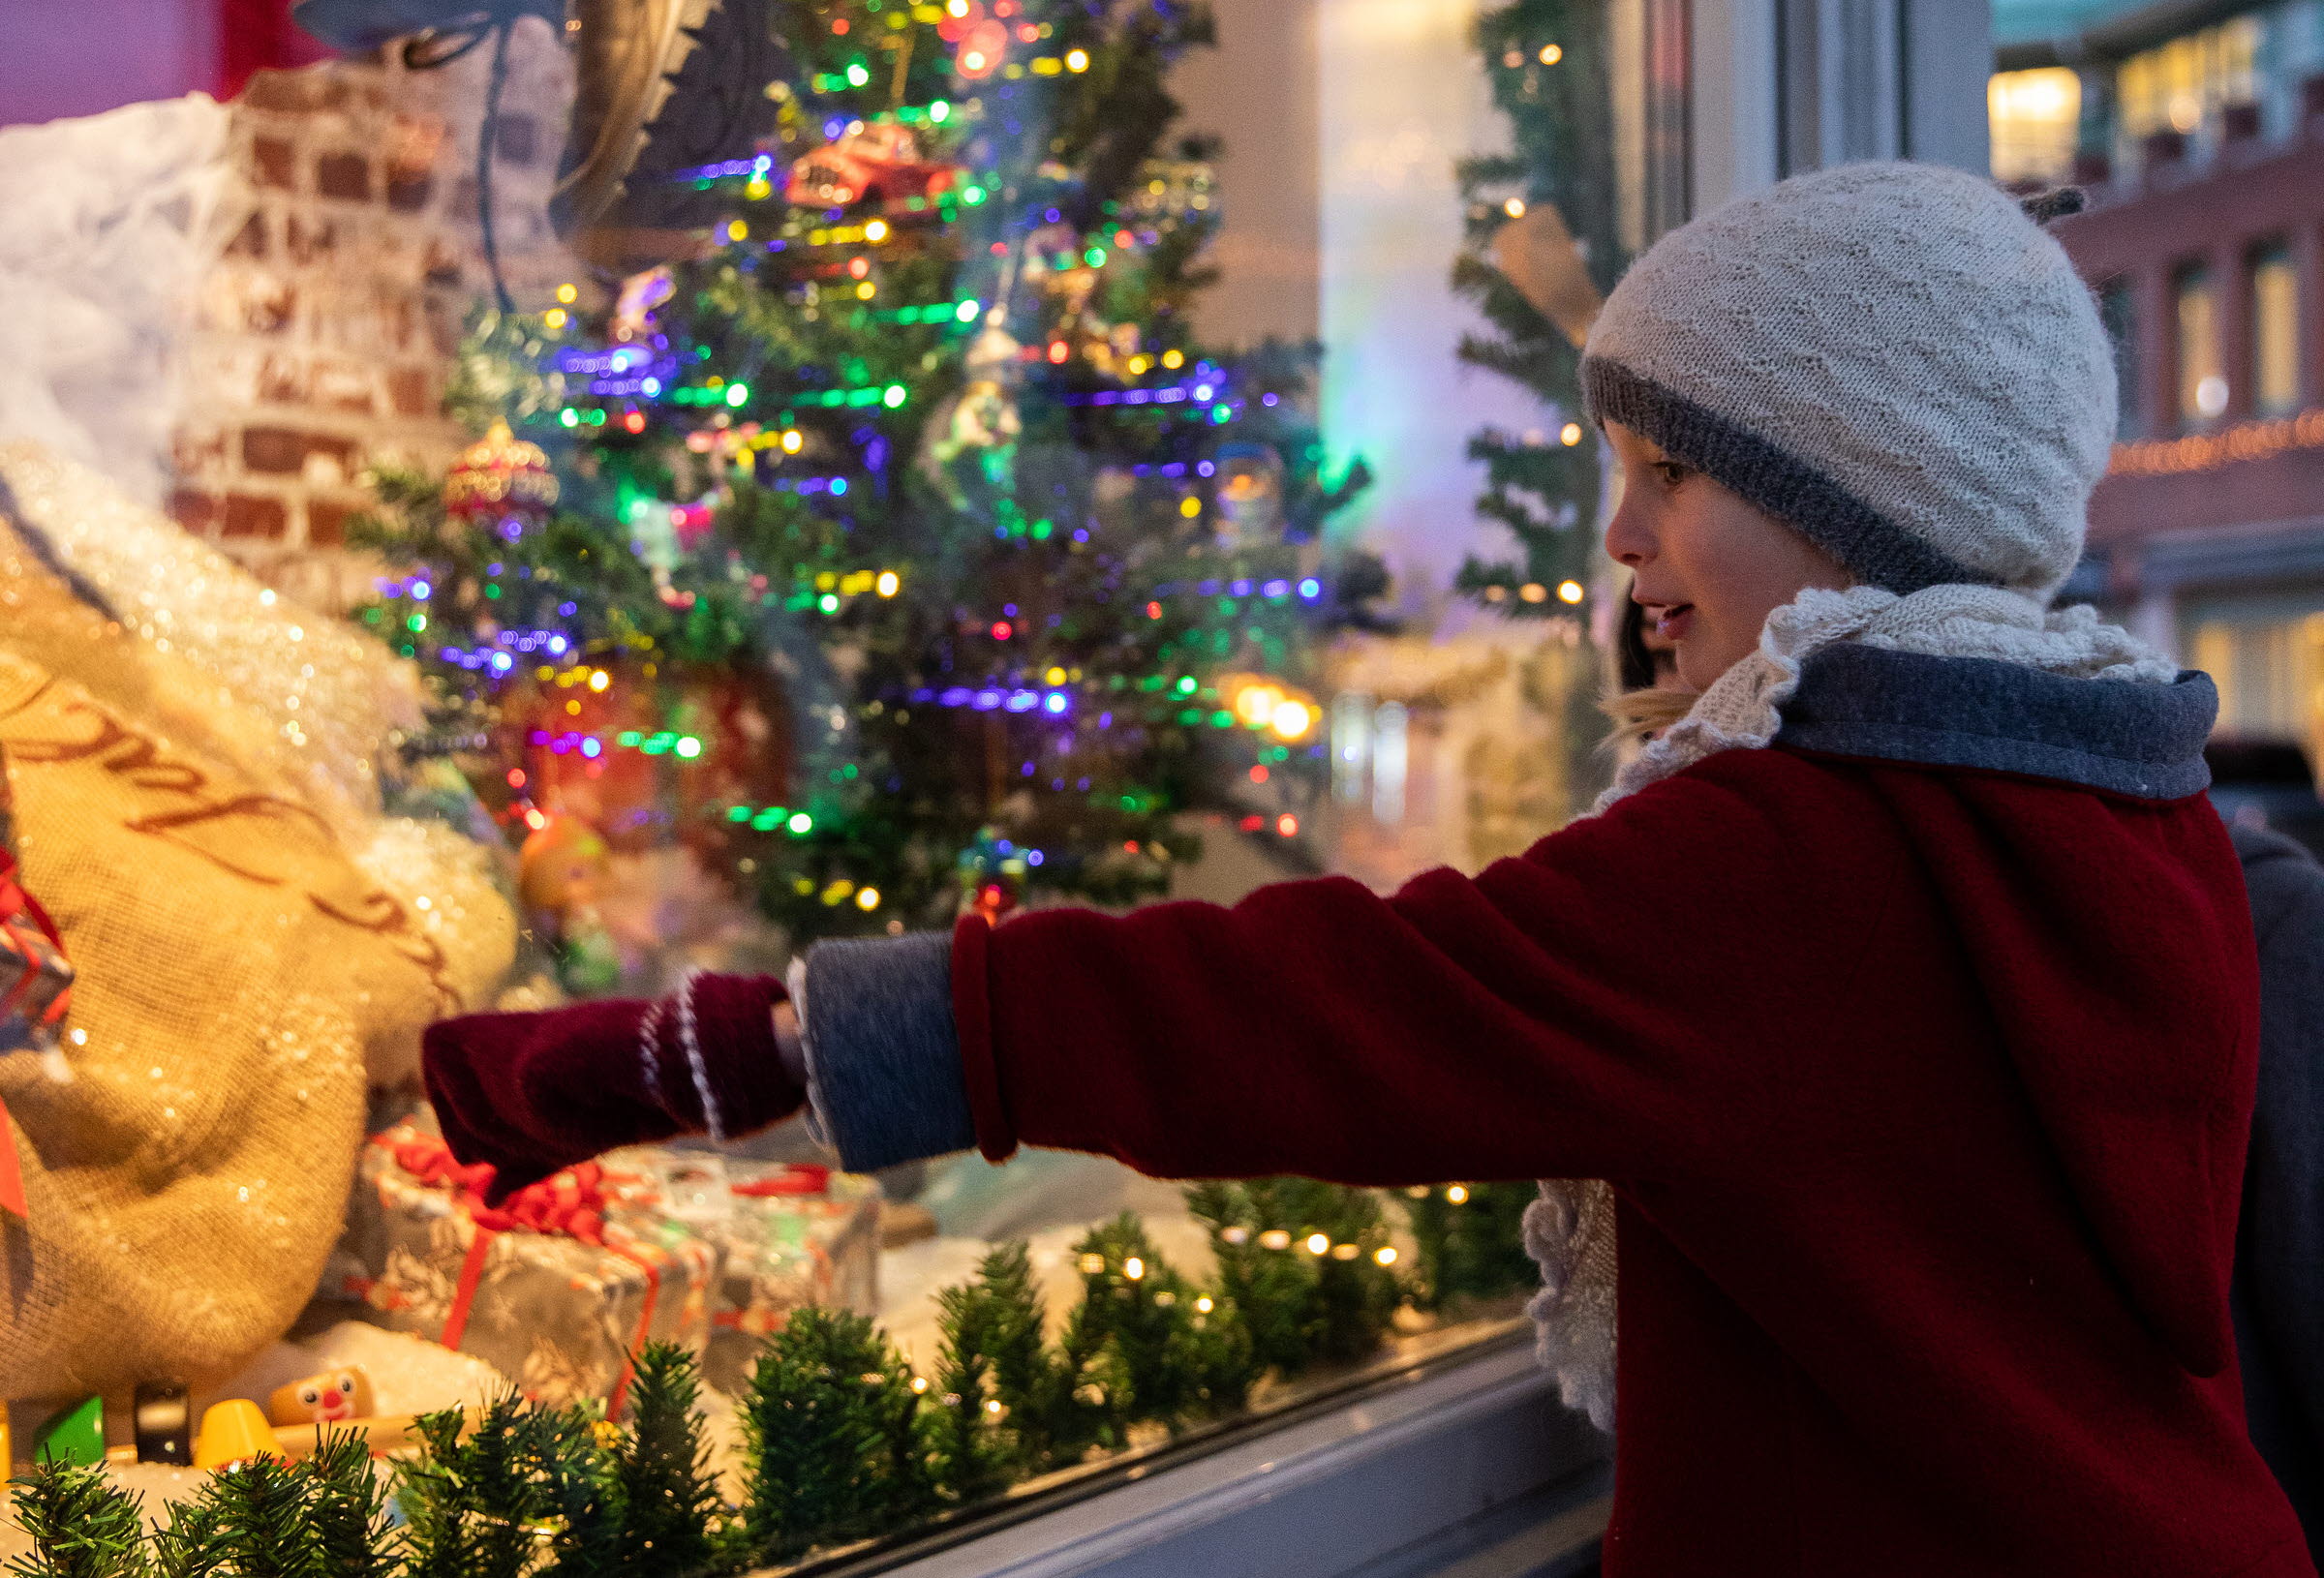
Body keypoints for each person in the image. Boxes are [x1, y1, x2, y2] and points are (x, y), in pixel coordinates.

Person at [420, 164, 2313, 1576]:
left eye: (1673, 470)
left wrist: (719, 1045)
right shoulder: (2107, 795)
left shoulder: (1794, 859)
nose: (1626, 532)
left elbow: (1294, 1010)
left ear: (1855, 507)